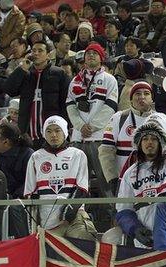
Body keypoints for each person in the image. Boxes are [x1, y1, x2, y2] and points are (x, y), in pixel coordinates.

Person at [115, 90, 166, 248]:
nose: (149, 142)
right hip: (145, 244)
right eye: (145, 138)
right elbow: (123, 210)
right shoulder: (129, 174)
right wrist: (135, 229)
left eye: (154, 138)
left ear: (163, 141)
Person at [24, 116, 97, 239]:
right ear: (43, 134)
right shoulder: (36, 157)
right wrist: (34, 228)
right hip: (46, 218)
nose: (53, 135)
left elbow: (82, 189)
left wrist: (66, 217)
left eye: (57, 130)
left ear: (65, 132)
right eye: (49, 131)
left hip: (75, 216)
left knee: (84, 239)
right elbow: (30, 194)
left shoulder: (78, 154)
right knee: (43, 248)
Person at [66, 43, 119, 198]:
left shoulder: (109, 80)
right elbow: (70, 105)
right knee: (78, 181)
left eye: (95, 53)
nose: (90, 56)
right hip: (78, 138)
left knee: (105, 180)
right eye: (88, 53)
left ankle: (113, 216)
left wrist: (92, 126)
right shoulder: (75, 81)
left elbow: (111, 106)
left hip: (99, 138)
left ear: (101, 58)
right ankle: (80, 215)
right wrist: (80, 125)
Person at [99, 81, 165, 194]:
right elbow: (106, 150)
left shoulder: (160, 120)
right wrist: (112, 179)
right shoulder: (119, 118)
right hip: (124, 182)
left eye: (146, 93)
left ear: (152, 99)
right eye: (137, 94)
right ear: (131, 99)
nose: (142, 97)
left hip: (153, 182)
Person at [4, 40, 69, 149]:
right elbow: (9, 89)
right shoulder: (25, 73)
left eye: (40, 50)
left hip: (51, 134)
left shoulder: (58, 74)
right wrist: (21, 69)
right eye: (34, 50)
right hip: (27, 134)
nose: (36, 53)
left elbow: (65, 102)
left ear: (48, 54)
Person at [0, 123, 33, 238]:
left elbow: (31, 181)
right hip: (2, 199)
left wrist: (14, 197)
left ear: (5, 141)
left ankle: (22, 243)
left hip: (21, 201)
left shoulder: (28, 155)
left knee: (14, 207)